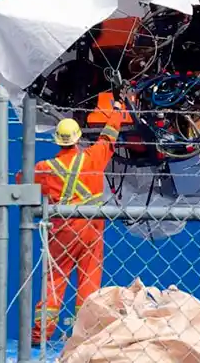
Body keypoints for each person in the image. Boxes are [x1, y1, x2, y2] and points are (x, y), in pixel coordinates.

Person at [25, 97, 126, 344]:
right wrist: (118, 109)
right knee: (89, 280)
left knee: (54, 281)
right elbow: (108, 137)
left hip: (62, 230)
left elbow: (23, 182)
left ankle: (40, 335)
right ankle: (85, 335)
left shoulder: (44, 168)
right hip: (92, 228)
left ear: (57, 140)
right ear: (79, 138)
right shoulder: (93, 157)